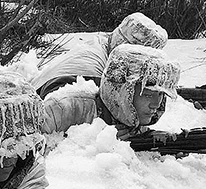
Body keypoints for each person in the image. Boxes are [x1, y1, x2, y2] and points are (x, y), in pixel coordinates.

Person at [28, 13, 179, 141]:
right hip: (45, 95)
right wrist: (97, 135)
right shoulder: (93, 76)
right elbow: (58, 113)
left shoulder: (101, 45)